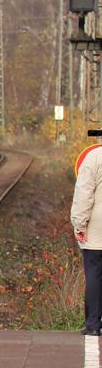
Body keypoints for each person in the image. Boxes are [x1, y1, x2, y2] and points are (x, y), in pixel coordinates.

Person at [71, 143, 102, 335]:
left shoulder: (94, 157)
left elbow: (84, 194)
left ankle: (93, 324)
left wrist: (79, 224)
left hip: (97, 226)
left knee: (94, 274)